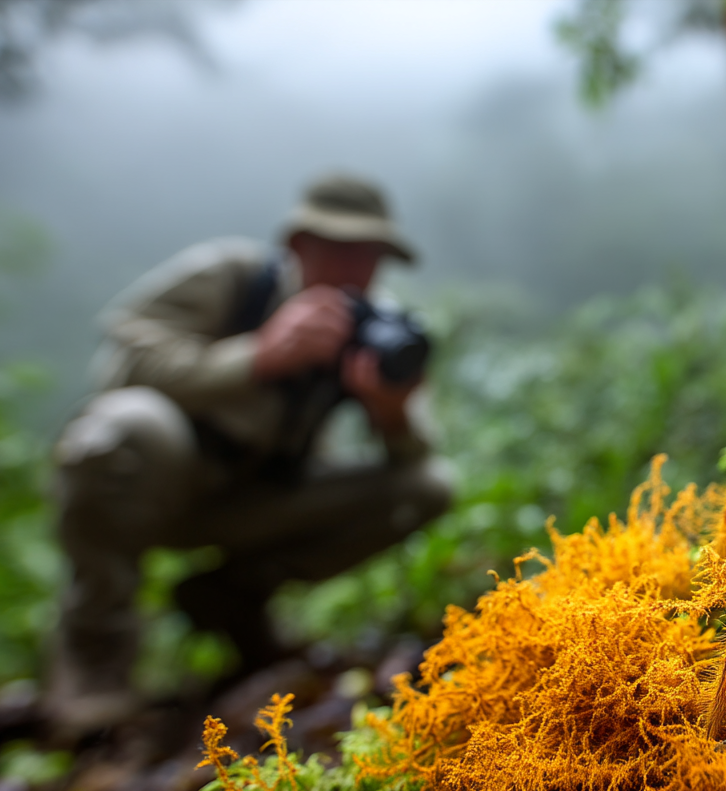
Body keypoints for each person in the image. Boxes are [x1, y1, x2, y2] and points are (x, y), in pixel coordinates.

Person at [45, 173, 452, 735]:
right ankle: (95, 659)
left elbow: (418, 454)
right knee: (128, 424)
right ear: (297, 245)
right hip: (158, 483)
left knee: (427, 486)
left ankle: (228, 598)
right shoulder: (231, 277)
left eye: (370, 255)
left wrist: (390, 411)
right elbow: (123, 362)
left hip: (254, 503)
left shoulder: (377, 328)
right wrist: (257, 357)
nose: (356, 269)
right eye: (339, 249)